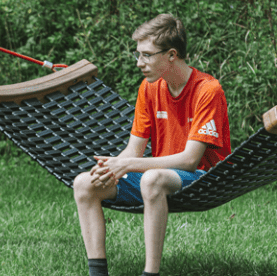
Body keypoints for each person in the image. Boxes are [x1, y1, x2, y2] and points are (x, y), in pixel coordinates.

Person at [71, 14, 231, 276]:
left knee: (151, 179)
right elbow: (133, 150)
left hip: (204, 177)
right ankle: (97, 273)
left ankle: (150, 273)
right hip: (159, 173)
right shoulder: (149, 88)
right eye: (138, 54)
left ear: (171, 55)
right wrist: (112, 168)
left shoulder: (207, 90)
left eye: (146, 55)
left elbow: (191, 160)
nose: (139, 63)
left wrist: (129, 164)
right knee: (84, 183)